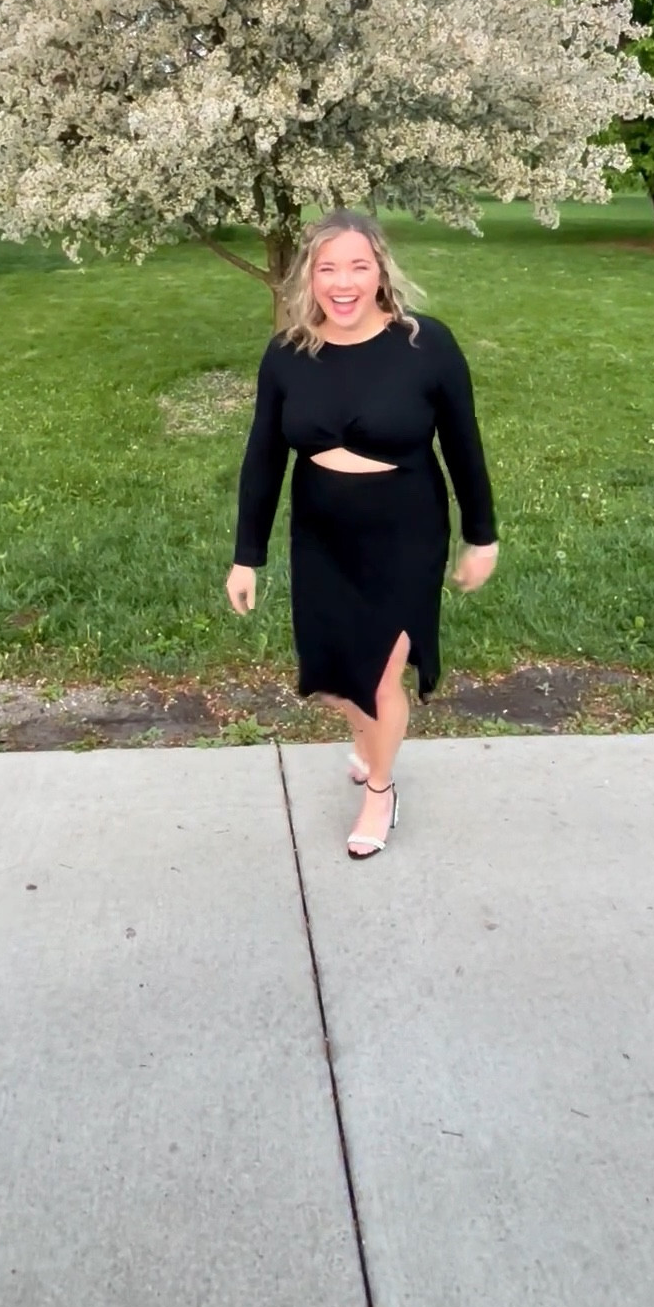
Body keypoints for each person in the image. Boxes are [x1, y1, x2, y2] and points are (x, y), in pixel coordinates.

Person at [226, 210, 499, 860]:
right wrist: (247, 557)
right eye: (328, 268)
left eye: (357, 266)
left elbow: (464, 447)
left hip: (405, 528)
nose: (342, 282)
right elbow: (264, 458)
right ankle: (368, 737)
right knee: (335, 676)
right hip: (322, 530)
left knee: (380, 679)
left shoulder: (425, 345)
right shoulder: (288, 353)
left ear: (380, 272)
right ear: (309, 278)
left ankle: (380, 789)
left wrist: (481, 537)